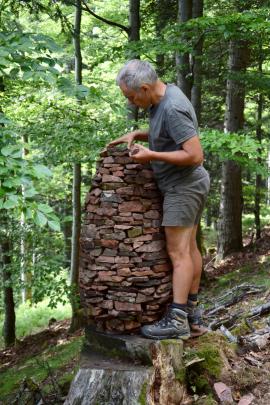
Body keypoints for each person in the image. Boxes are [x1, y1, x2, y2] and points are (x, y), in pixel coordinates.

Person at [108, 59, 210, 340]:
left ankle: (178, 320)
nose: (131, 103)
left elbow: (194, 154)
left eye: (131, 97)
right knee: (188, 249)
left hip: (184, 185)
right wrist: (139, 134)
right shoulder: (163, 98)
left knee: (178, 253)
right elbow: (168, 135)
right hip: (190, 184)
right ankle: (191, 312)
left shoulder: (172, 108)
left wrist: (151, 154)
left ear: (144, 88)